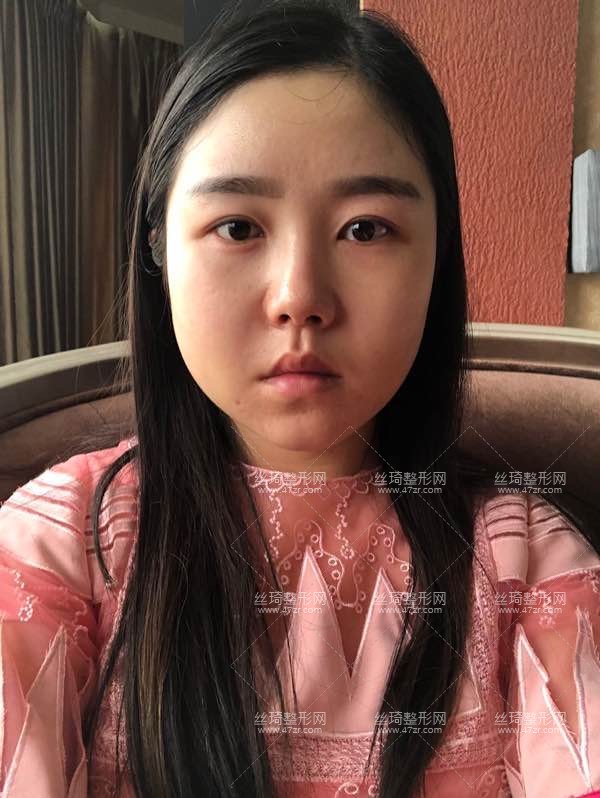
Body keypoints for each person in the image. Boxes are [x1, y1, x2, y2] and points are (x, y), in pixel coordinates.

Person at [0, 1, 599, 796]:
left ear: (437, 260)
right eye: (238, 227)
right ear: (158, 249)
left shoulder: (528, 562)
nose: (300, 297)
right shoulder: (62, 547)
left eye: (366, 229)